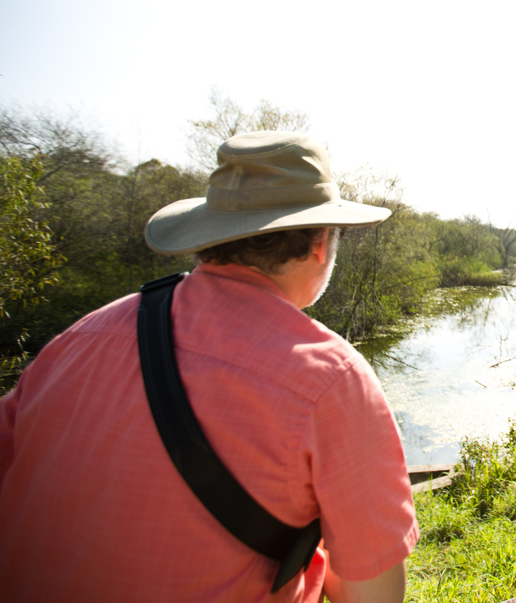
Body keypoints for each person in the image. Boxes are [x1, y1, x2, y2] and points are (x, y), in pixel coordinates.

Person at [0, 131, 419, 603]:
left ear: (210, 236)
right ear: (322, 242)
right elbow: (372, 595)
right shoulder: (331, 379)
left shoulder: (76, 340)